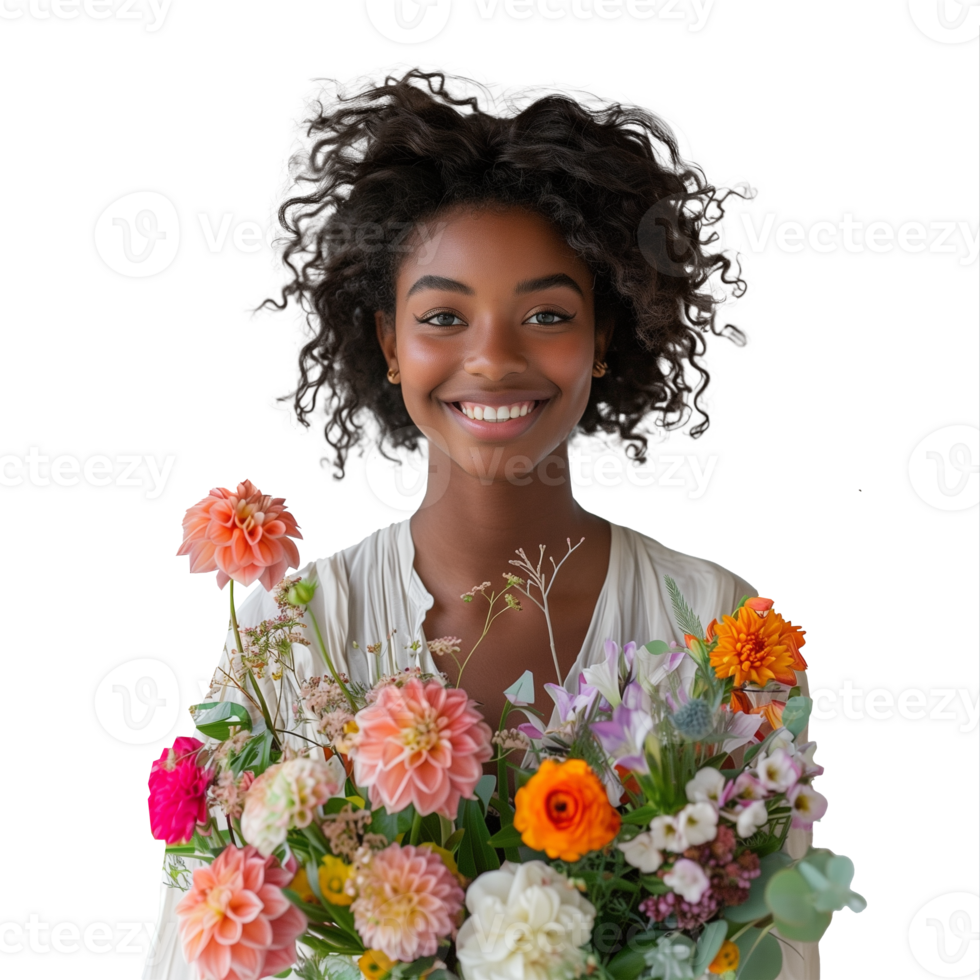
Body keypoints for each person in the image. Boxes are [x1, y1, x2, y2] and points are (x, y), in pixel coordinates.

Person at [143, 60, 817, 980]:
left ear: (605, 339)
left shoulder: (720, 627)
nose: (494, 359)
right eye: (444, 317)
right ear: (388, 343)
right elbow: (198, 953)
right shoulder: (290, 632)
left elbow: (779, 950)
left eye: (545, 312)